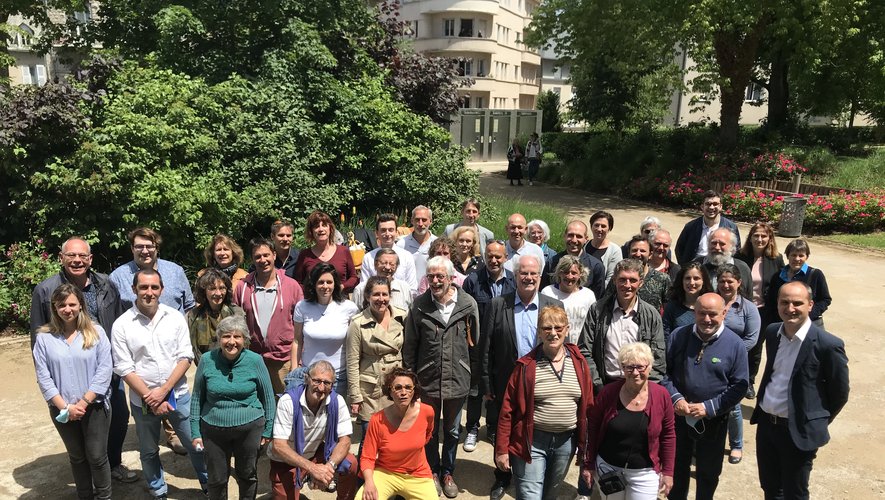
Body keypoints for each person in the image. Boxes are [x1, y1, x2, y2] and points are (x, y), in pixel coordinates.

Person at [29, 237, 136, 483]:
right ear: (61, 258)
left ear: (90, 259)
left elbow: (119, 322)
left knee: (118, 417)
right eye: (71, 256)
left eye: (82, 256)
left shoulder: (105, 283)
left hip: (106, 367)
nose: (77, 260)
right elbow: (38, 339)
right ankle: (89, 472)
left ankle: (112, 463)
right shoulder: (45, 291)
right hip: (69, 370)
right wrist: (48, 384)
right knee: (77, 424)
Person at [112, 269, 208, 498]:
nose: (149, 292)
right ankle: (158, 490)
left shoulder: (175, 317)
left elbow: (185, 356)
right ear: (134, 289)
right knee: (148, 450)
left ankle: (209, 486)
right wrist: (150, 396)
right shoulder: (122, 324)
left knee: (196, 443)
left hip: (178, 394)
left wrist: (164, 391)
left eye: (154, 287)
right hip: (142, 398)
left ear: (162, 290)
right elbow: (124, 367)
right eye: (143, 287)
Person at [751, 281, 849, 500]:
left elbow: (840, 393)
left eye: (797, 303)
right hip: (767, 426)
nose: (790, 308)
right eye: (784, 302)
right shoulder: (773, 331)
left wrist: (815, 419)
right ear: (777, 304)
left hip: (797, 432)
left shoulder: (827, 344)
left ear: (810, 305)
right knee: (770, 488)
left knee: (795, 493)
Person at [482, 254, 563, 500]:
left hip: (542, 381)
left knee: (532, 431)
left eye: (533, 274)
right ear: (515, 276)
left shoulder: (553, 305)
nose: (528, 278)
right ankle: (503, 476)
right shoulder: (498, 304)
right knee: (502, 430)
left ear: (540, 277)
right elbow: (486, 347)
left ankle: (529, 475)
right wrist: (486, 383)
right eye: (523, 273)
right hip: (506, 380)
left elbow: (560, 345)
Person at [495, 306, 594, 500]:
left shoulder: (580, 363)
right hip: (532, 442)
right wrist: (501, 450)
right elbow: (507, 410)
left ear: (567, 329)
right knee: (530, 496)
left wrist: (586, 446)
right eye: (547, 328)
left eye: (558, 327)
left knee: (550, 494)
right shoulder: (525, 366)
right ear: (539, 331)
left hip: (566, 443)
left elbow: (589, 406)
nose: (553, 333)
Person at [403, 256, 480, 498]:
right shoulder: (419, 305)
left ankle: (448, 472)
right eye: (431, 277)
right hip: (427, 379)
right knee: (429, 432)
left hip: (457, 379)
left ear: (451, 278)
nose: (435, 281)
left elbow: (474, 345)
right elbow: (410, 346)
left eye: (440, 276)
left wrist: (472, 378)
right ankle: (432, 472)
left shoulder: (468, 304)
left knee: (453, 431)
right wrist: (412, 380)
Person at [661, 293, 749, 500]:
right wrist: (676, 399)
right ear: (694, 312)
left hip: (714, 420)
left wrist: (709, 408)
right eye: (702, 313)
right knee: (677, 467)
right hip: (679, 417)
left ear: (724, 313)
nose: (707, 319)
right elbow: (665, 373)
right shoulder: (678, 336)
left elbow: (739, 386)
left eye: (713, 314)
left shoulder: (735, 344)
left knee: (708, 472)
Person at [33, 284, 114, 499]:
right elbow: (43, 377)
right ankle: (85, 496)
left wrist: (84, 403)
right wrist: (66, 407)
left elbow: (105, 369)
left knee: (97, 457)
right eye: (62, 305)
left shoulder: (96, 332)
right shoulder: (43, 338)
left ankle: (104, 497)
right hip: (62, 409)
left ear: (80, 305)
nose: (67, 309)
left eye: (72, 304)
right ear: (54, 307)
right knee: (77, 456)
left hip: (94, 407)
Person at [190, 315, 276, 500]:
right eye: (226, 336)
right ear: (219, 338)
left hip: (250, 428)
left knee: (247, 475)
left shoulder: (255, 360)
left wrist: (268, 429)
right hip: (213, 429)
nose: (231, 342)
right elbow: (197, 398)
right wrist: (195, 432)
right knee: (217, 479)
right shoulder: (206, 360)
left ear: (244, 340)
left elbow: (268, 397)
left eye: (237, 337)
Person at [584, 342, 675, 500]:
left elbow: (668, 435)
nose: (635, 372)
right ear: (622, 368)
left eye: (641, 367)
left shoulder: (662, 395)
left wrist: (668, 472)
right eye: (629, 367)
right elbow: (592, 429)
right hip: (608, 468)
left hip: (644, 473)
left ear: (650, 367)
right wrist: (589, 464)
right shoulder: (608, 393)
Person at [267, 360, 359, 500]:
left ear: (332, 385)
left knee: (350, 463)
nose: (321, 388)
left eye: (327, 383)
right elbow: (279, 446)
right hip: (286, 459)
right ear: (307, 379)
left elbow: (345, 441)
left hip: (314, 451)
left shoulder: (337, 401)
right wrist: (313, 469)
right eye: (316, 381)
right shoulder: (288, 401)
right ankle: (301, 478)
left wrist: (328, 468)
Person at [579, 258, 666, 392]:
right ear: (614, 280)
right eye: (622, 279)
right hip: (605, 386)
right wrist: (598, 386)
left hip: (640, 388)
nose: (627, 285)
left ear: (641, 283)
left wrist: (645, 387)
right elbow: (585, 350)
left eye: (633, 280)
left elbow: (658, 359)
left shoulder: (651, 315)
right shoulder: (597, 310)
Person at [234, 238, 304, 395]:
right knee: (257, 402)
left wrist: (297, 361)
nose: (262, 260)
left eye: (266, 255)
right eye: (258, 256)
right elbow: (236, 322)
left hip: (283, 359)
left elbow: (301, 326)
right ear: (252, 259)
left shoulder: (291, 286)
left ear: (274, 255)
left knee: (286, 404)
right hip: (253, 359)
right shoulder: (242, 287)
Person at [355, 368, 437, 499]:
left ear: (414, 390)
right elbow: (367, 457)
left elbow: (427, 435)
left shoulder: (427, 412)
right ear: (390, 391)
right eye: (398, 388)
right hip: (385, 473)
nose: (403, 392)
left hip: (418, 474)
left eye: (408, 387)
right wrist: (369, 482)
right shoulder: (377, 420)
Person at [346, 276, 407, 436]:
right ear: (367, 296)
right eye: (376, 295)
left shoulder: (402, 317)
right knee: (370, 439)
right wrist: (355, 396)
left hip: (396, 386)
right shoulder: (357, 323)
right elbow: (352, 361)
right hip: (371, 390)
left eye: (385, 294)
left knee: (395, 438)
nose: (381, 299)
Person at [715, 264, 760, 465]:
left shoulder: (748, 308)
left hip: (735, 363)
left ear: (739, 283)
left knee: (732, 406)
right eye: (722, 281)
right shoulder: (710, 301)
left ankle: (736, 445)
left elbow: (752, 338)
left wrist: (729, 352)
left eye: (730, 281)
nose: (725, 285)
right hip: (710, 360)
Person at [291, 263, 359, 396]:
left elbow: (355, 344)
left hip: (338, 376)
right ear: (314, 284)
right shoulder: (302, 307)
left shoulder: (349, 308)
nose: (325, 286)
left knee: (334, 415)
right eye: (321, 282)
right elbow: (297, 341)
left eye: (329, 282)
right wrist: (294, 369)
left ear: (335, 284)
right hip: (309, 375)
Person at [736, 221, 784, 399]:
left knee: (755, 347)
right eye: (756, 235)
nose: (760, 239)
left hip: (764, 310)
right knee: (738, 342)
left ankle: (748, 381)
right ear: (750, 238)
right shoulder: (740, 257)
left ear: (770, 238)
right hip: (742, 307)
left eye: (764, 236)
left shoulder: (776, 259)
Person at [109, 227, 195, 312]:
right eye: (139, 247)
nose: (145, 251)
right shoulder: (117, 277)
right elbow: (111, 312)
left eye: (149, 246)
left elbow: (190, 306)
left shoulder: (175, 271)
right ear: (132, 248)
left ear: (157, 248)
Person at [763, 239, 832, 328]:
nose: (797, 259)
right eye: (793, 255)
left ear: (806, 257)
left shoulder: (815, 275)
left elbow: (825, 299)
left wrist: (807, 314)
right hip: (782, 324)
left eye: (801, 255)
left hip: (807, 324)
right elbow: (771, 301)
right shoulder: (777, 276)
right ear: (788, 256)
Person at [187, 268, 245, 364]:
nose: (218, 293)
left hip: (234, 365)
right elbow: (195, 349)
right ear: (204, 291)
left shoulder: (236, 313)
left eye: (222, 288)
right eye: (212, 288)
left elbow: (243, 344)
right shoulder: (194, 316)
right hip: (206, 366)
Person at [293, 211, 359, 294]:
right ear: (311, 231)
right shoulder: (305, 255)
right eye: (316, 226)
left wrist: (342, 287)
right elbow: (297, 282)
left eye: (324, 225)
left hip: (339, 301)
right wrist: (311, 291)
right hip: (313, 303)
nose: (321, 229)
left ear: (330, 228)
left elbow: (354, 277)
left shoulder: (344, 251)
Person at [604, 234, 671, 311]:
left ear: (650, 254)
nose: (638, 254)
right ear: (628, 252)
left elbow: (669, 310)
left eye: (642, 251)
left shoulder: (662, 279)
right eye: (634, 250)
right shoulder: (619, 277)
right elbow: (606, 303)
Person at [675, 190, 741, 265]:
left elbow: (736, 251)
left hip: (721, 269)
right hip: (695, 269)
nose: (711, 207)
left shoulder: (731, 227)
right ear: (702, 206)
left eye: (715, 204)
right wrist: (685, 268)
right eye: (708, 204)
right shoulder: (691, 227)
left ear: (720, 207)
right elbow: (679, 249)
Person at [544, 220, 606, 300]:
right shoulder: (552, 262)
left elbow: (599, 301)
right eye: (570, 235)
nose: (574, 240)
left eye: (579, 236)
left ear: (586, 239)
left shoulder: (596, 266)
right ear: (564, 236)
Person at [540, 255, 597, 341]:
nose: (569, 276)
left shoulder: (588, 295)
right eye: (566, 272)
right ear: (559, 273)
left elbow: (592, 326)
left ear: (580, 274)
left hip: (580, 349)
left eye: (574, 273)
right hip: (554, 346)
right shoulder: (548, 292)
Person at [360, 213, 418, 291]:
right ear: (377, 233)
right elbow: (364, 287)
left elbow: (412, 288)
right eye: (383, 230)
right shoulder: (368, 258)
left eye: (391, 230)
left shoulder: (407, 257)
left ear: (396, 232)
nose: (387, 234)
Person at [662, 262, 713, 346]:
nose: (691, 283)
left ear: (703, 281)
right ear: (682, 280)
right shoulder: (672, 307)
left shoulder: (711, 306)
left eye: (696, 278)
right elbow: (665, 336)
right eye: (687, 278)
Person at [696, 228, 753, 298]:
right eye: (713, 243)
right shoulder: (697, 265)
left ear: (732, 247)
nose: (717, 247)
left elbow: (748, 297)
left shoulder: (742, 268)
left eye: (722, 244)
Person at [396, 205, 437, 279]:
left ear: (430, 221)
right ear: (412, 221)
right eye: (417, 220)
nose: (420, 224)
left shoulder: (437, 244)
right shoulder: (401, 245)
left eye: (424, 220)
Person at [585, 211, 623, 286]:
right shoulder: (584, 246)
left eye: (603, 226)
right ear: (591, 226)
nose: (599, 229)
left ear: (609, 228)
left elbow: (611, 279)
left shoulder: (615, 251)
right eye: (596, 225)